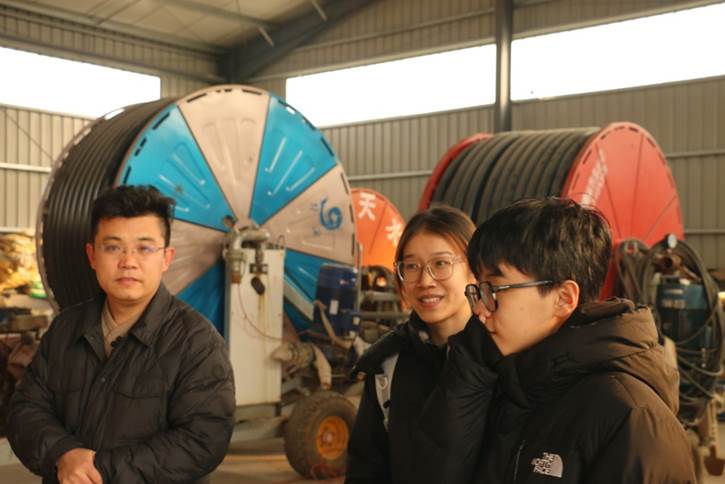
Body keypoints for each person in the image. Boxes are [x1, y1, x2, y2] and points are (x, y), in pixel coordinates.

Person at [413, 197, 696, 483]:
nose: (480, 310)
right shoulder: (507, 384)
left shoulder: (632, 418)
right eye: (479, 291)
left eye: (495, 290)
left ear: (563, 298)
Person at [7, 185, 235, 484]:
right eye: (113, 247)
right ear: (92, 255)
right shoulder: (65, 330)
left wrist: (99, 469)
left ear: (166, 258)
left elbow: (203, 440)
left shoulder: (197, 342)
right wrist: (62, 454)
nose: (128, 261)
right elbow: (25, 410)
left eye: (144, 248)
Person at [345, 205, 480, 484]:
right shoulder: (387, 366)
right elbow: (366, 468)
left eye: (441, 263)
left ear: (474, 270)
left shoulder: (502, 359)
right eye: (411, 266)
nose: (425, 281)